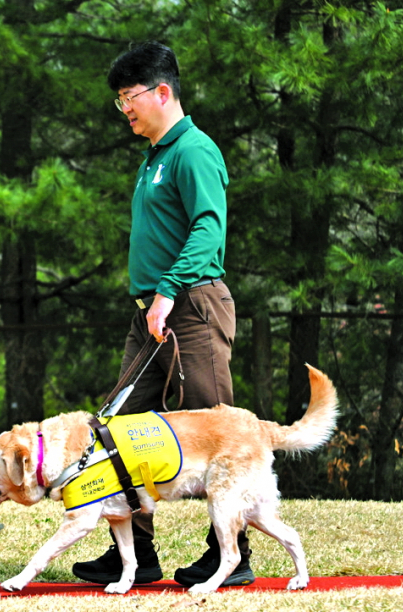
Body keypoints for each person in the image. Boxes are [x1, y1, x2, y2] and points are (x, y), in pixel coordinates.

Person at [71, 41, 254, 589]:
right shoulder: (154, 157)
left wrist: (169, 291)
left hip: (191, 307)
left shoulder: (194, 150)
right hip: (152, 314)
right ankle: (135, 555)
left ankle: (234, 555)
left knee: (215, 429)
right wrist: (155, 300)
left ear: (162, 92)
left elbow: (208, 228)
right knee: (121, 431)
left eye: (129, 97)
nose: (124, 108)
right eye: (119, 100)